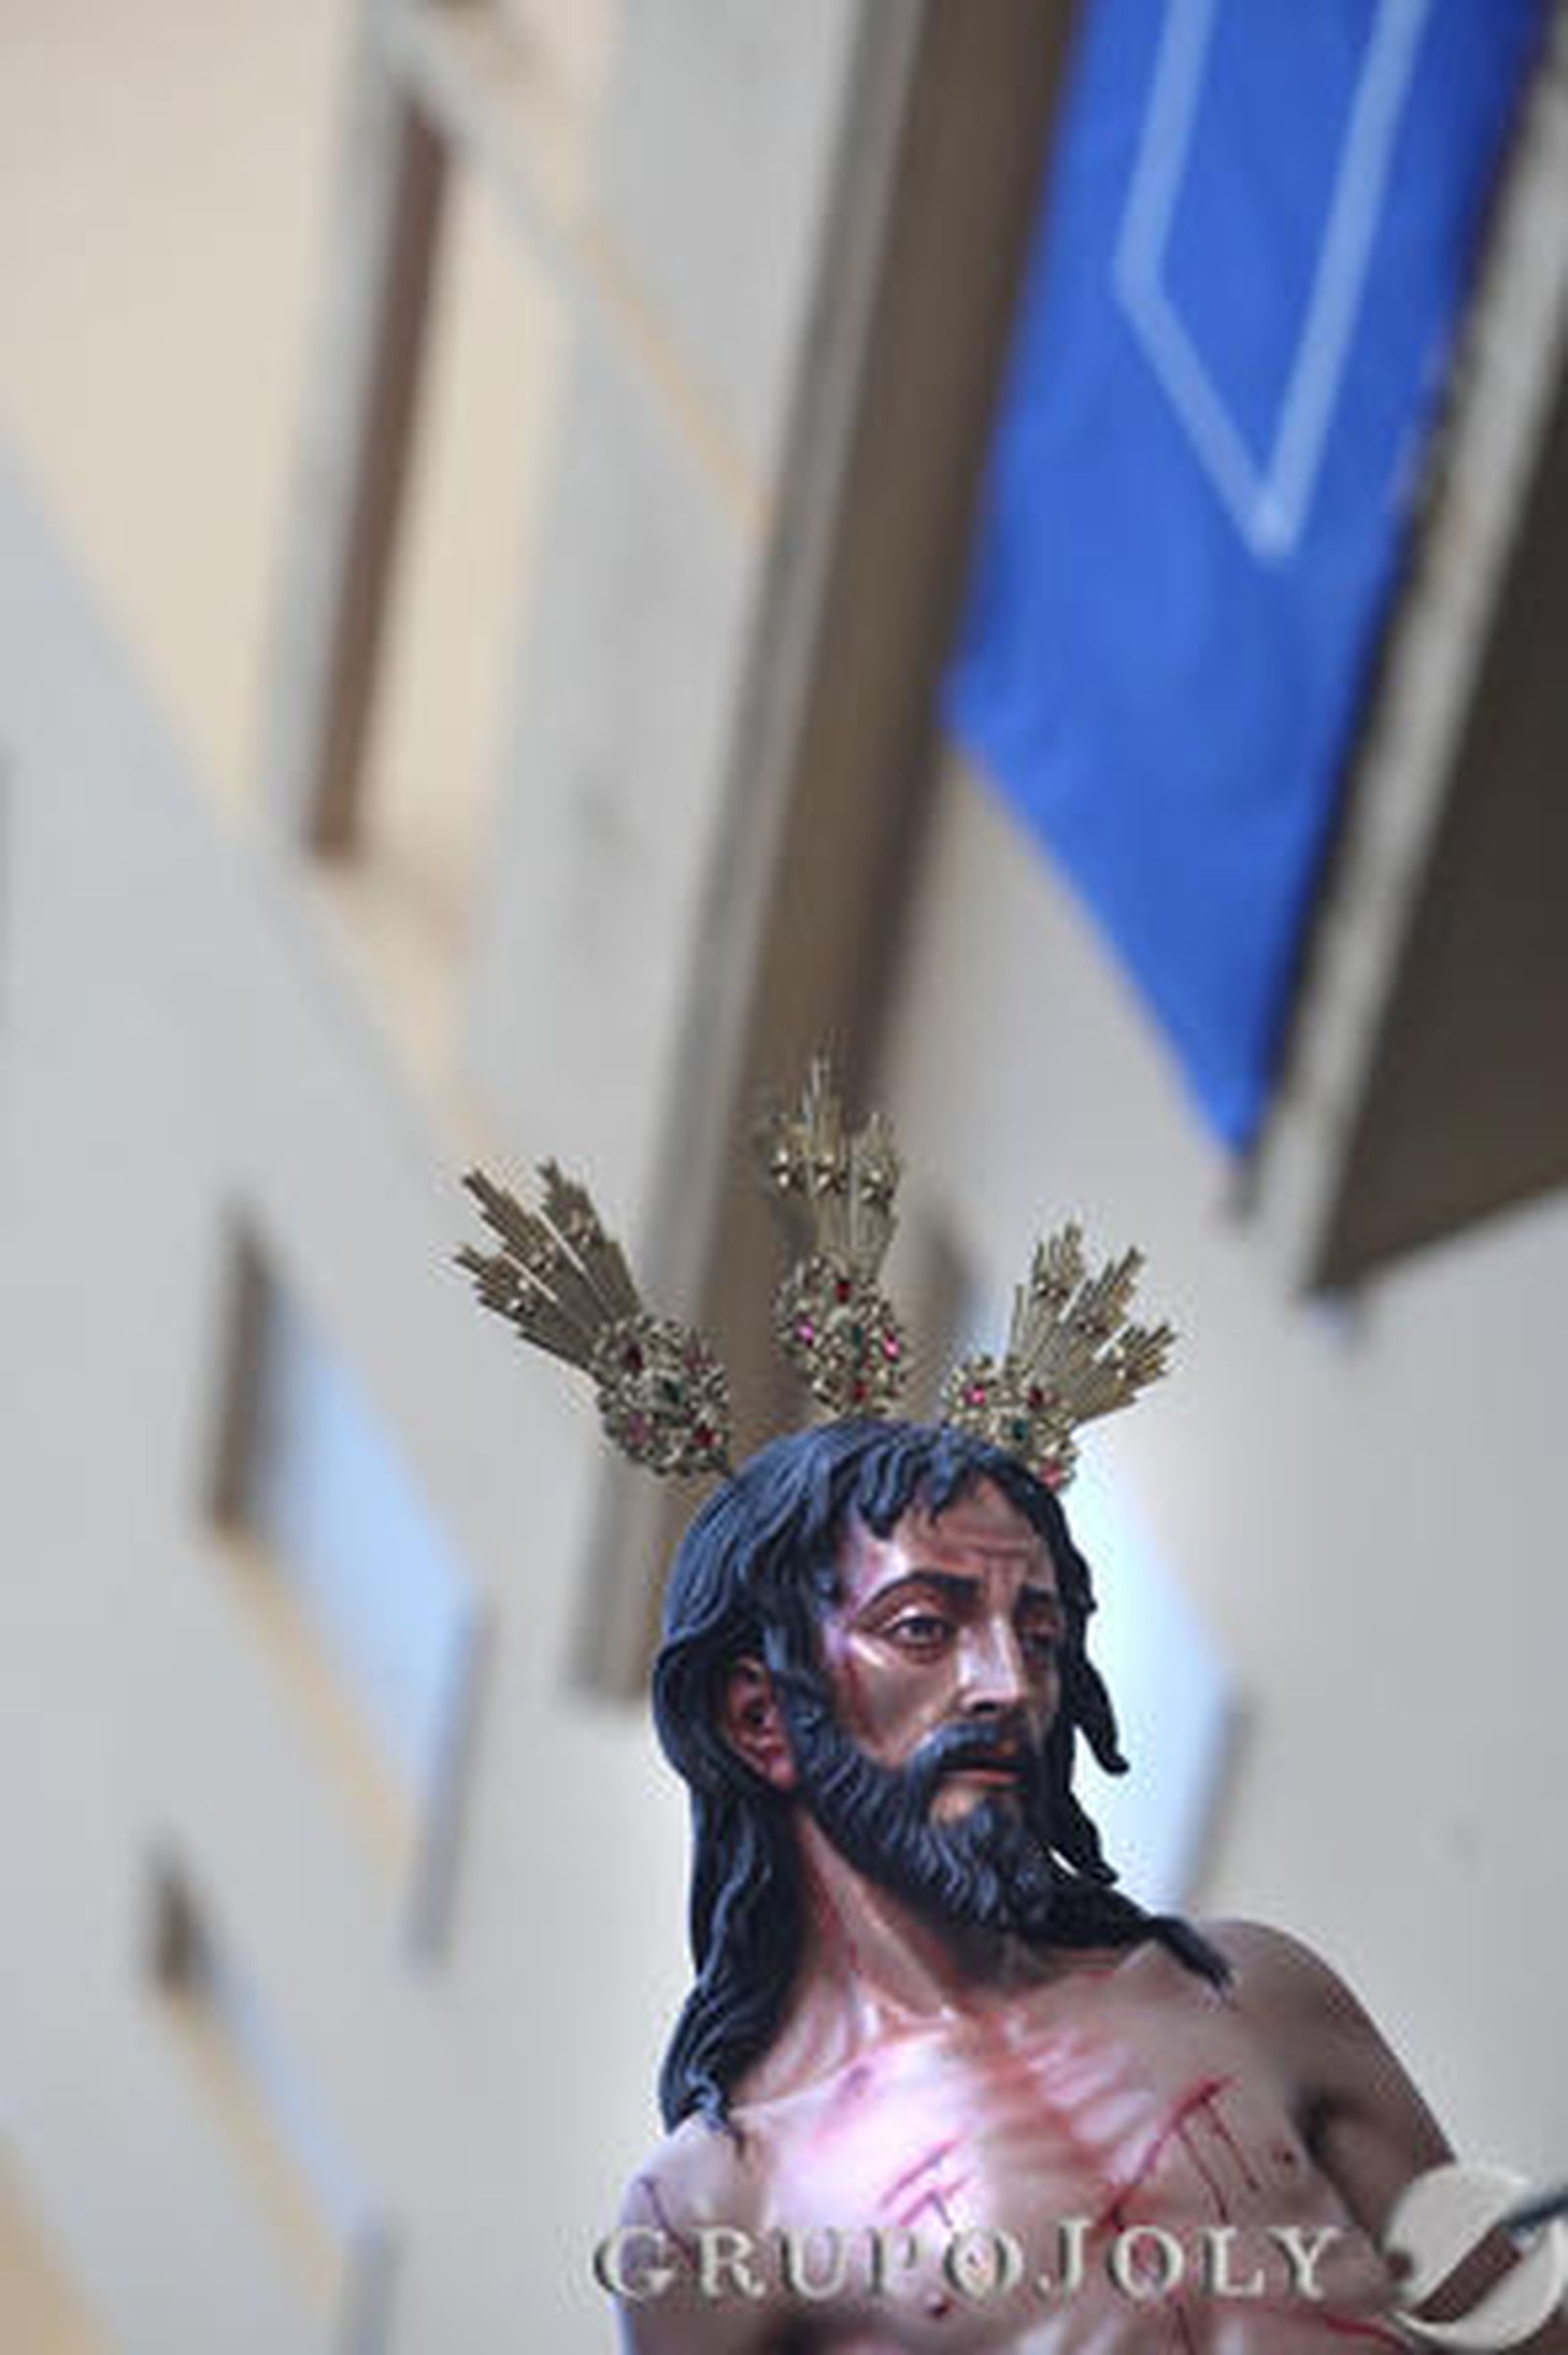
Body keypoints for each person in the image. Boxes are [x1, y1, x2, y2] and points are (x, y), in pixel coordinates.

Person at [604, 1419, 1469, 2354]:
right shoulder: (720, 2207)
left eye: (1039, 1633)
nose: (1008, 1684)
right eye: (925, 1629)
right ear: (761, 1717)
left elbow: (1519, 2327)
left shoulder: (1245, 1992)